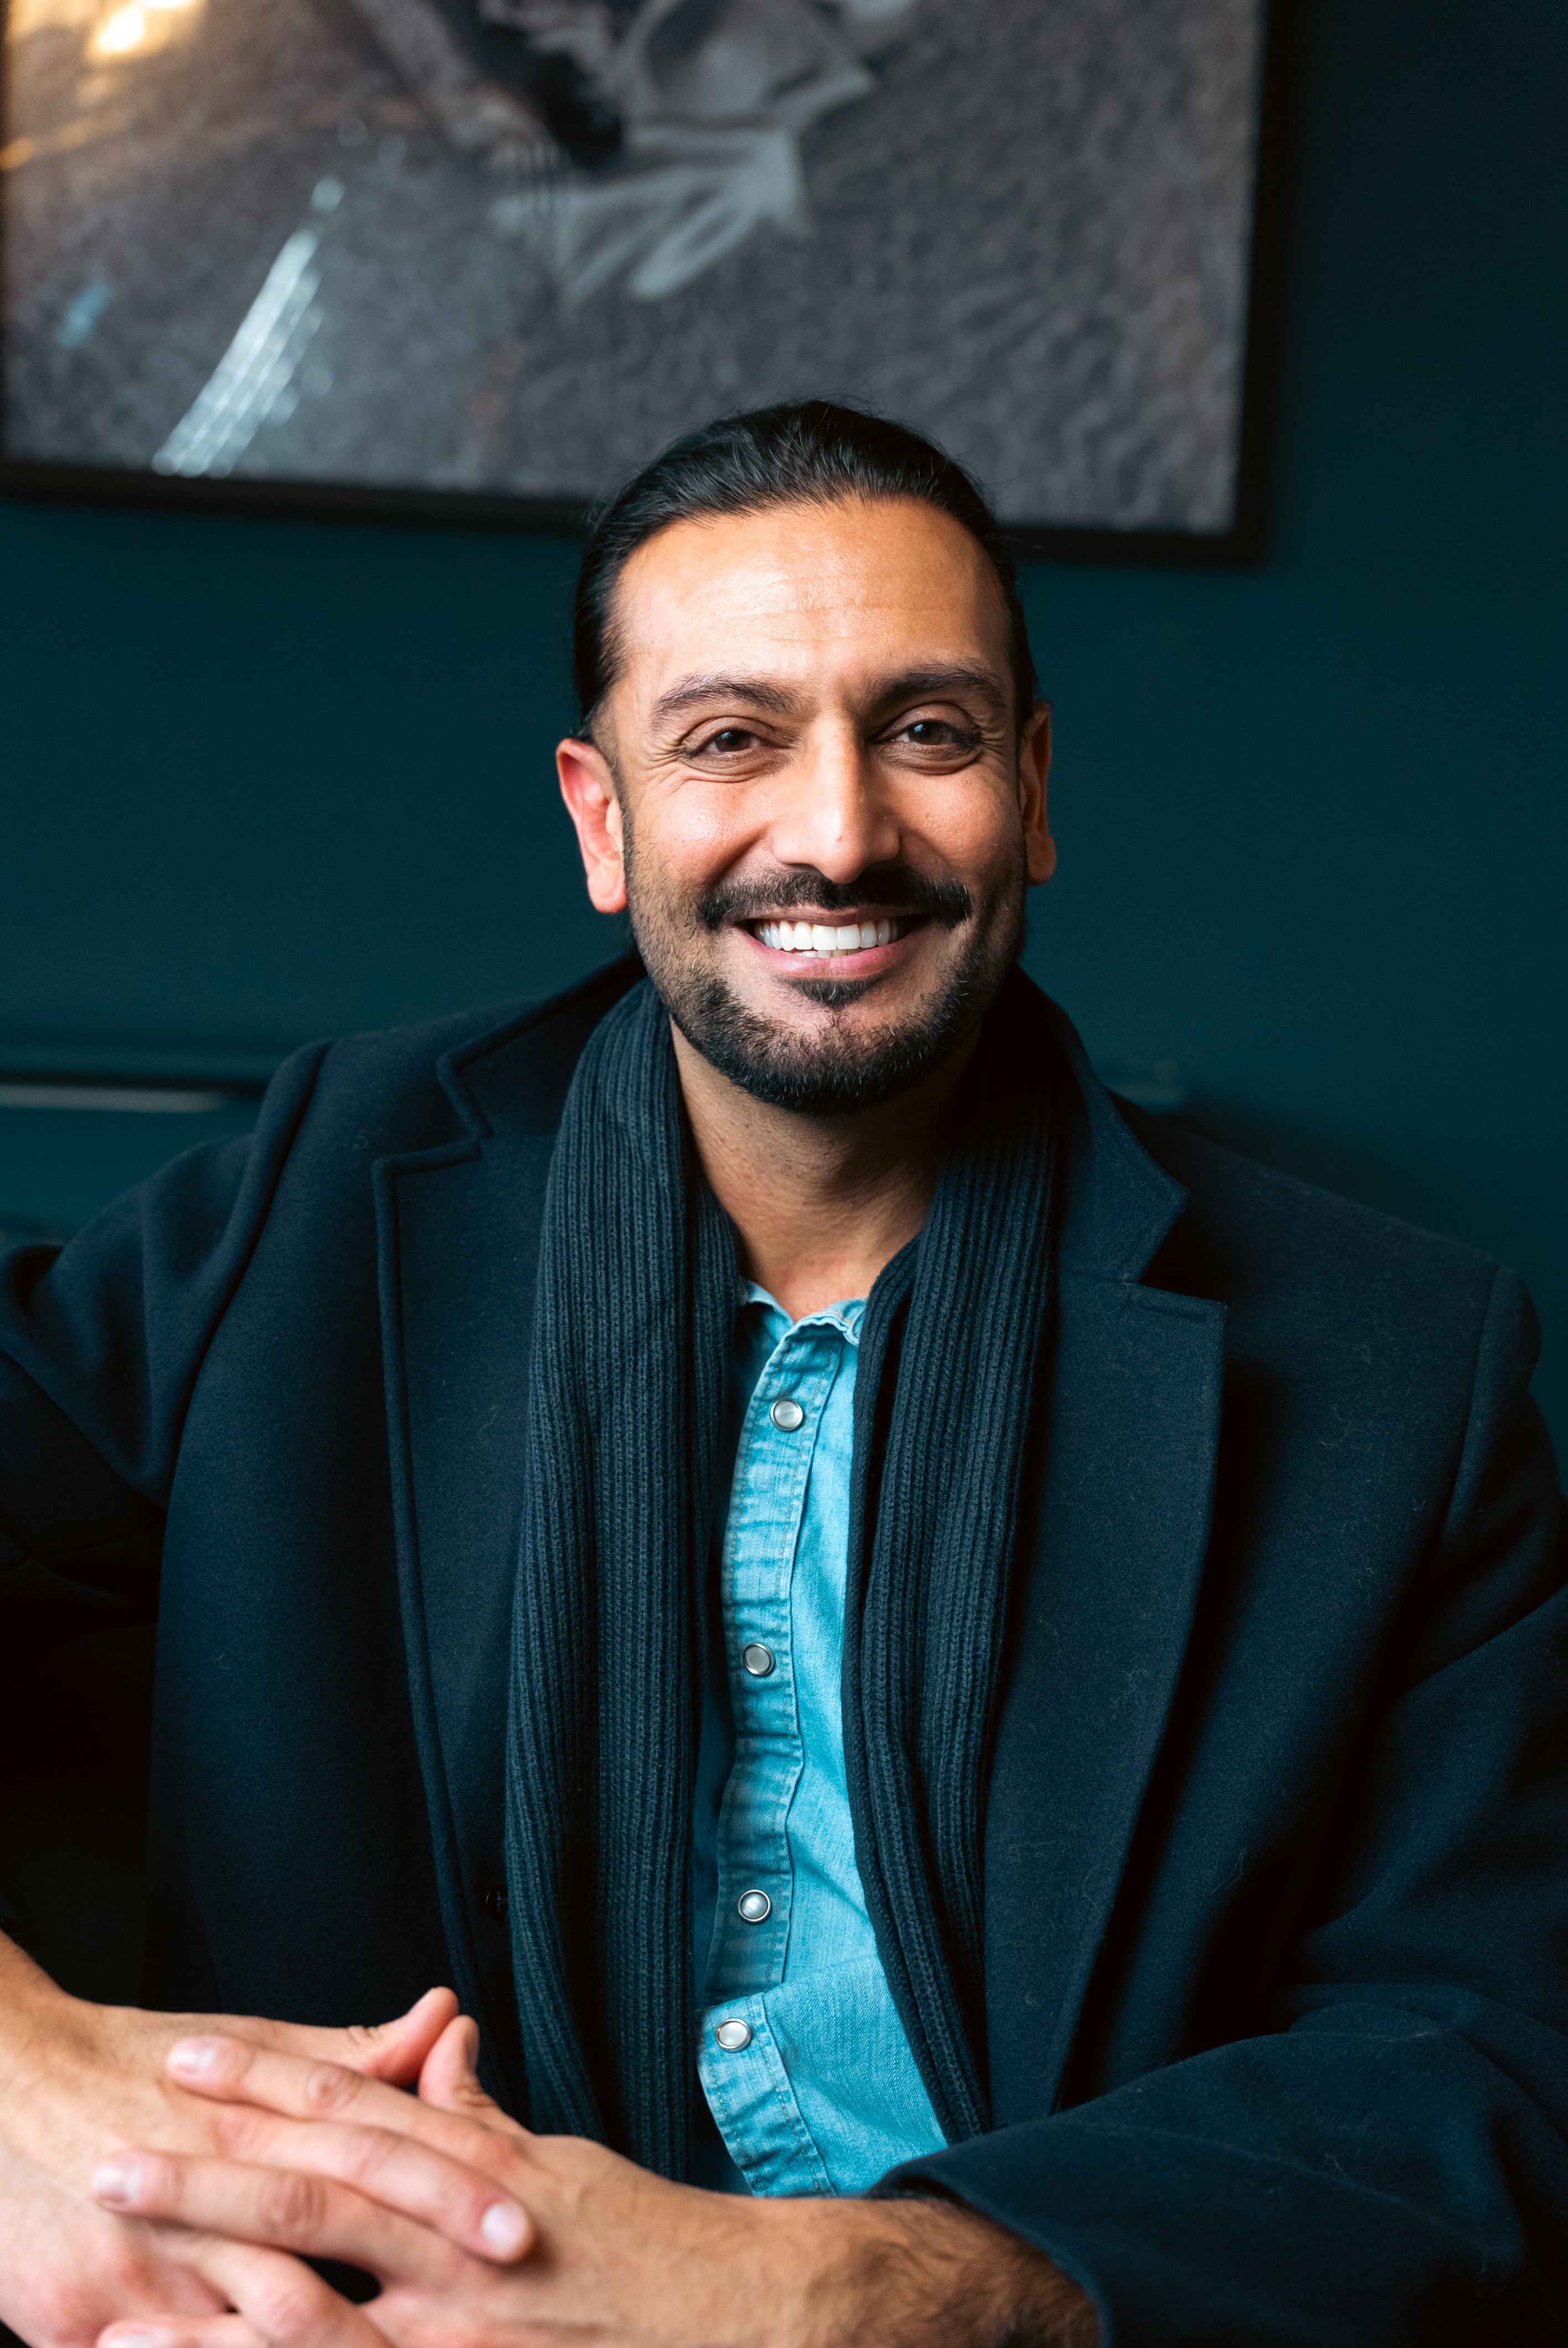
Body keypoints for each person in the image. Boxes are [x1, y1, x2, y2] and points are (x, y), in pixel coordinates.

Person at [1, 402, 1564, 2348]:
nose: (838, 831)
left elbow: (1485, 2072)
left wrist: (838, 2294)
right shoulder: (322, 1197)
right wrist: (22, 2074)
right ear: (603, 818)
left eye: (926, 731)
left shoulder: (1396, 1363)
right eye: (731, 738)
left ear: (1036, 789)